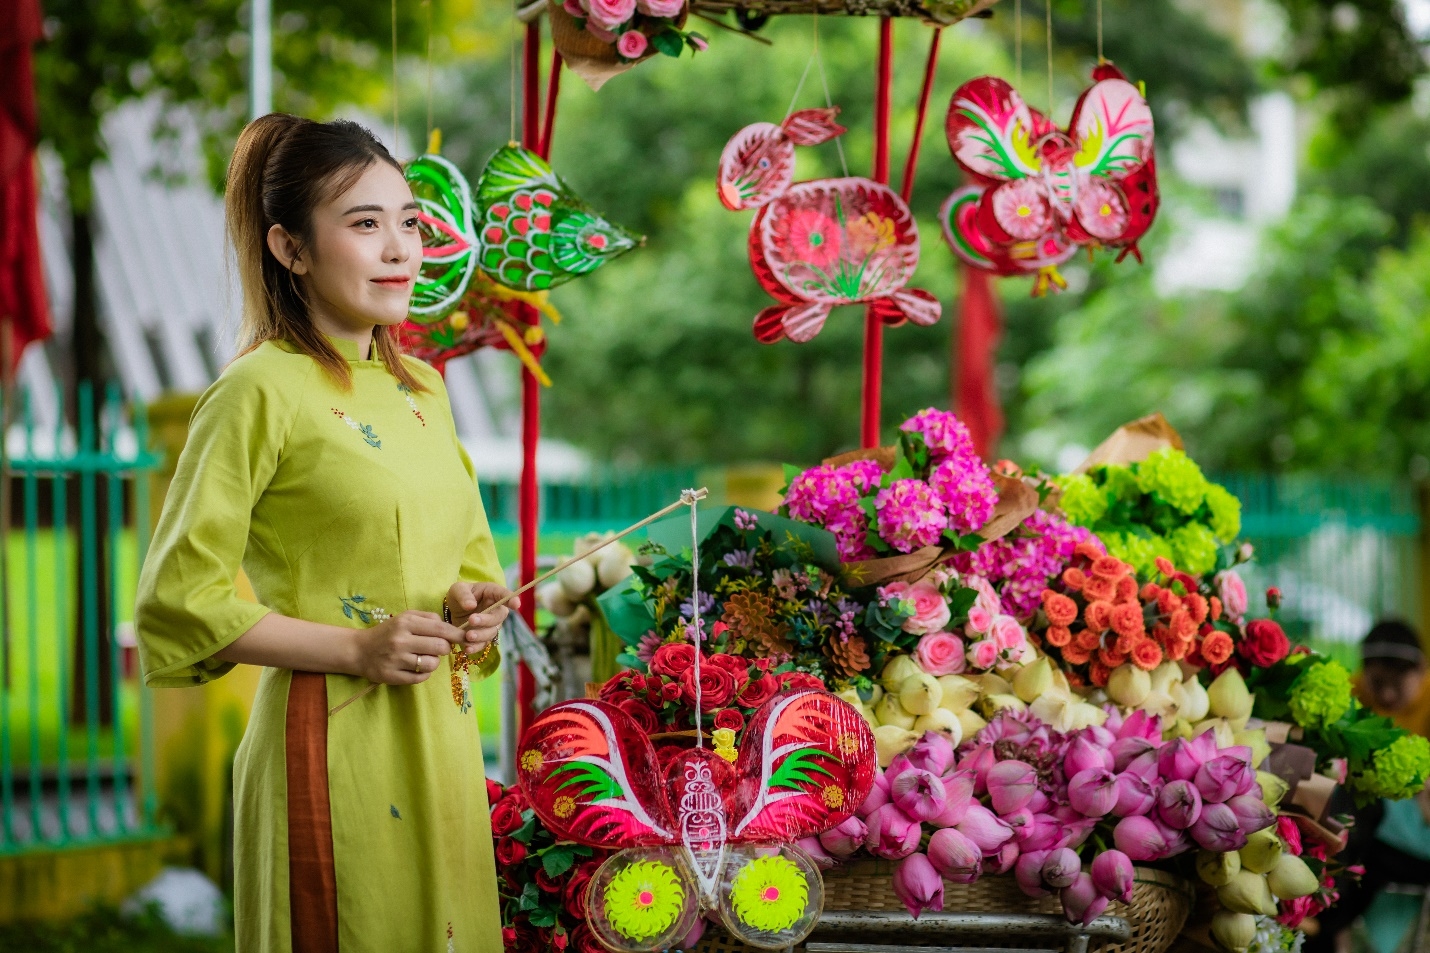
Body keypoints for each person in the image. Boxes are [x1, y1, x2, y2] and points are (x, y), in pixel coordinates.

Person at [134, 114, 515, 953]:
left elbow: (469, 567)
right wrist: (355, 649)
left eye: (409, 223)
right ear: (290, 248)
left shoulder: (423, 387)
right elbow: (179, 598)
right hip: (333, 739)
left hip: (443, 742)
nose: (399, 250)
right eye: (365, 224)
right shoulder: (258, 390)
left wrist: (476, 605)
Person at [1309, 620, 1430, 953]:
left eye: (1398, 684)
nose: (1387, 695)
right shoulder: (1350, 695)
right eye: (1378, 683)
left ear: (1422, 672)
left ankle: (1328, 931)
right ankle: (1331, 929)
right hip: (1372, 837)